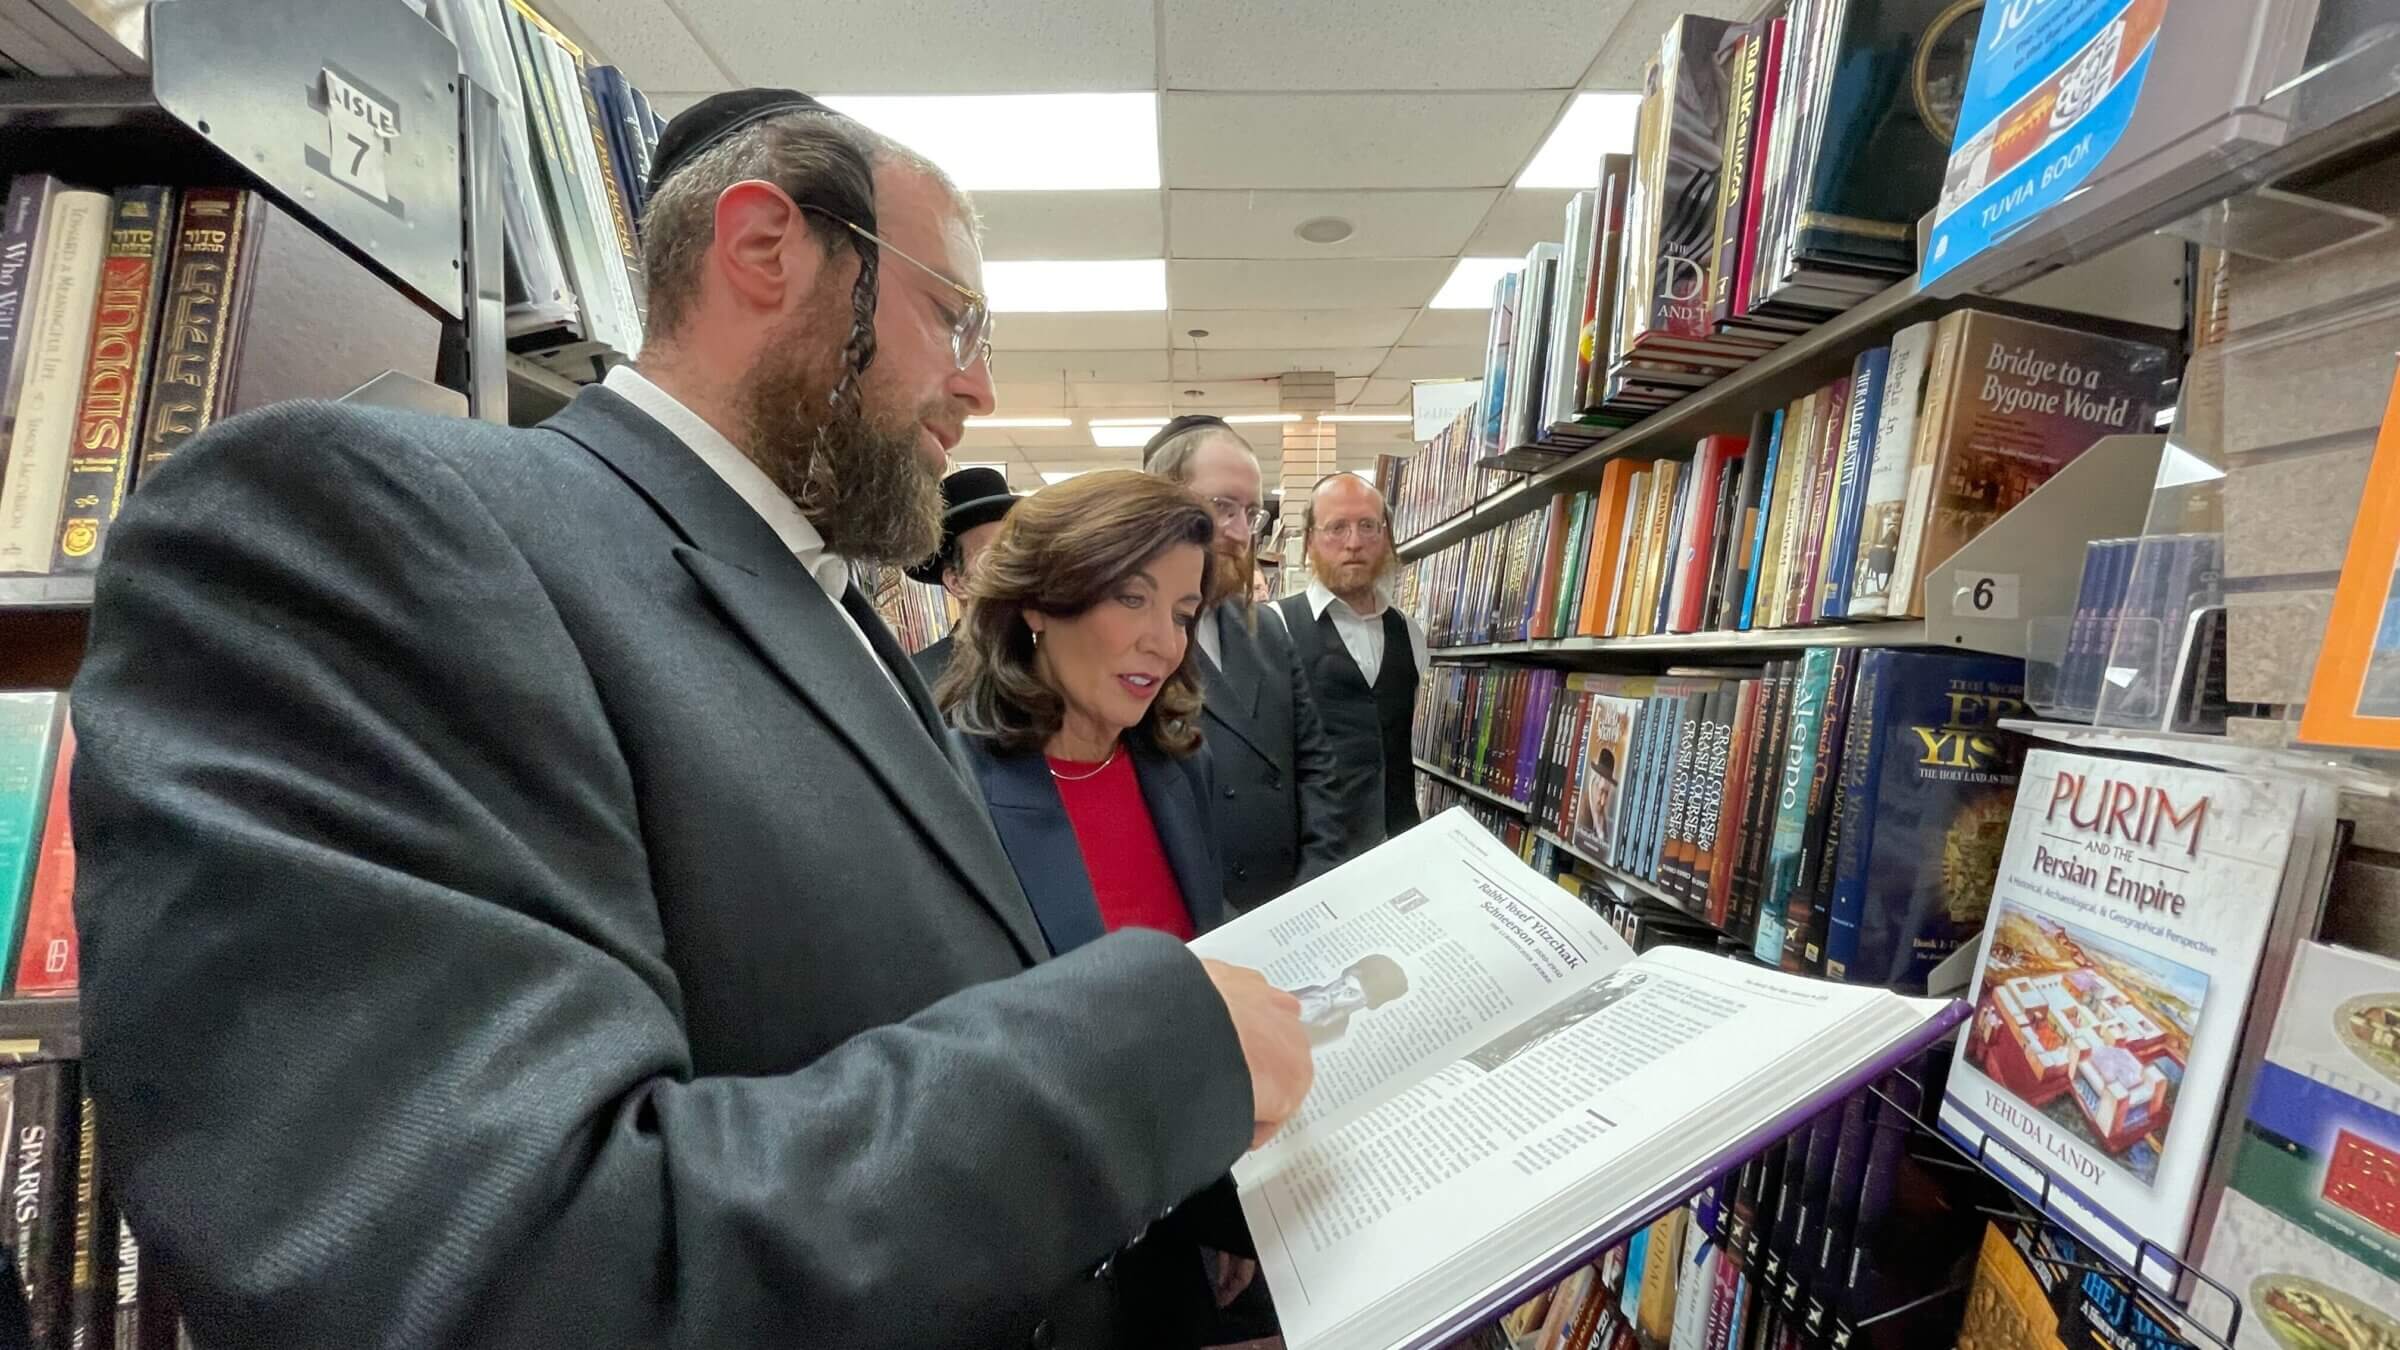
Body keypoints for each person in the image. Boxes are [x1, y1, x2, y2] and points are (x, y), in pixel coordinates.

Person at [68, 89, 1310, 1350]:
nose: (979, 384)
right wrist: (1148, 1057)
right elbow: (492, 1264)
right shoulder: (364, 530)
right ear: (766, 249)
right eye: (954, 314)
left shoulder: (824, 601)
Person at [941, 471, 1256, 1347]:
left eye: (1185, 612)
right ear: (1041, 600)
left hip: (1179, 1212)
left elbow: (1191, 992)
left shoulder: (1173, 768)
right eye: (1131, 596)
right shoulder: (951, 787)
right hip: (1049, 1260)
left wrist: (1222, 1211)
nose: (1163, 642)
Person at [1144, 415, 1374, 911]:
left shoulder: (1265, 630)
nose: (1240, 533)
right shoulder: (1130, 638)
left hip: (1297, 907)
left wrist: (1317, 883)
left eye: (1251, 512)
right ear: (1161, 503)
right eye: (1221, 507)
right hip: (1199, 924)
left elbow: (1316, 769)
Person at [1275, 472, 1430, 843]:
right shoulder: (1276, 628)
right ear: (1310, 540)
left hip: (1399, 846)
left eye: (1367, 526)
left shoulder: (1409, 633)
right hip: (1313, 856)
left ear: (1385, 536)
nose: (1354, 543)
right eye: (1337, 528)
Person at [907, 464, 1018, 686]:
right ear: (957, 582)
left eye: (1018, 546)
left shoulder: (1051, 668)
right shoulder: (921, 683)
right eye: (994, 554)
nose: (1014, 562)